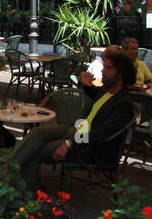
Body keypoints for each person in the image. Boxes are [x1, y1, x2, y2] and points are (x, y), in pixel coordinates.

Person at [13, 47, 139, 192]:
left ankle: (22, 194)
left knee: (36, 150)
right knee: (37, 133)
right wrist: (85, 83)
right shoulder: (107, 91)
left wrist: (70, 143)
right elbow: (96, 96)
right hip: (77, 131)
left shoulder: (124, 104)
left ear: (121, 74)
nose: (103, 71)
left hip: (88, 146)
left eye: (109, 68)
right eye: (104, 66)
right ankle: (6, 172)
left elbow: (102, 133)